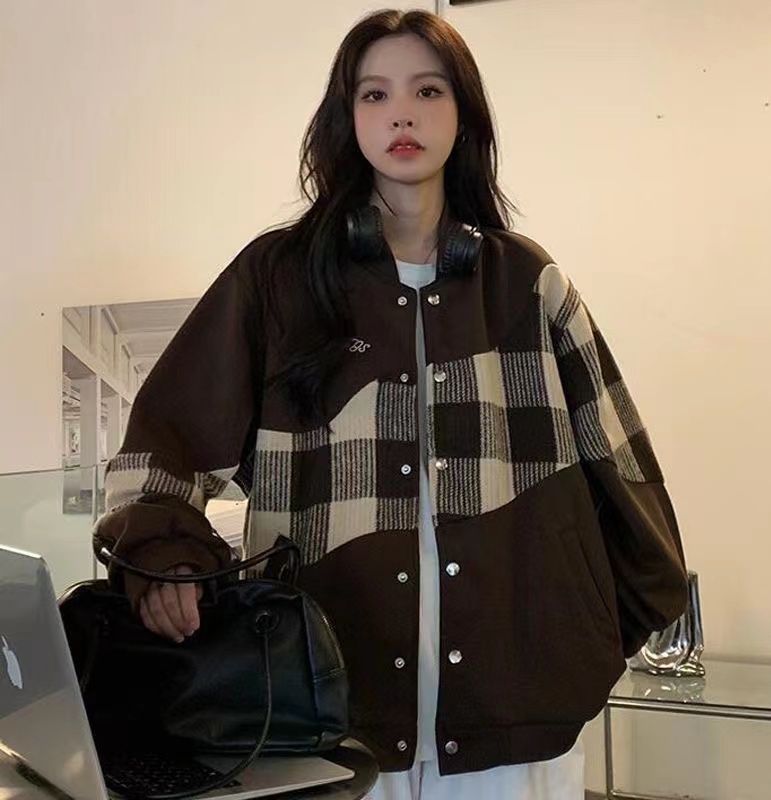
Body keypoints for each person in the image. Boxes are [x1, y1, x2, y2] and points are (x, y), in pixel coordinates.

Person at [93, 8, 688, 800]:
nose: (401, 114)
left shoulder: (527, 283)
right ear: (346, 118)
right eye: (374, 94)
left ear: (464, 115)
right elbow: (159, 448)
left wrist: (582, 640)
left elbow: (624, 470)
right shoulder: (278, 278)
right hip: (331, 715)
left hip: (518, 721)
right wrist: (168, 560)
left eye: (427, 91)